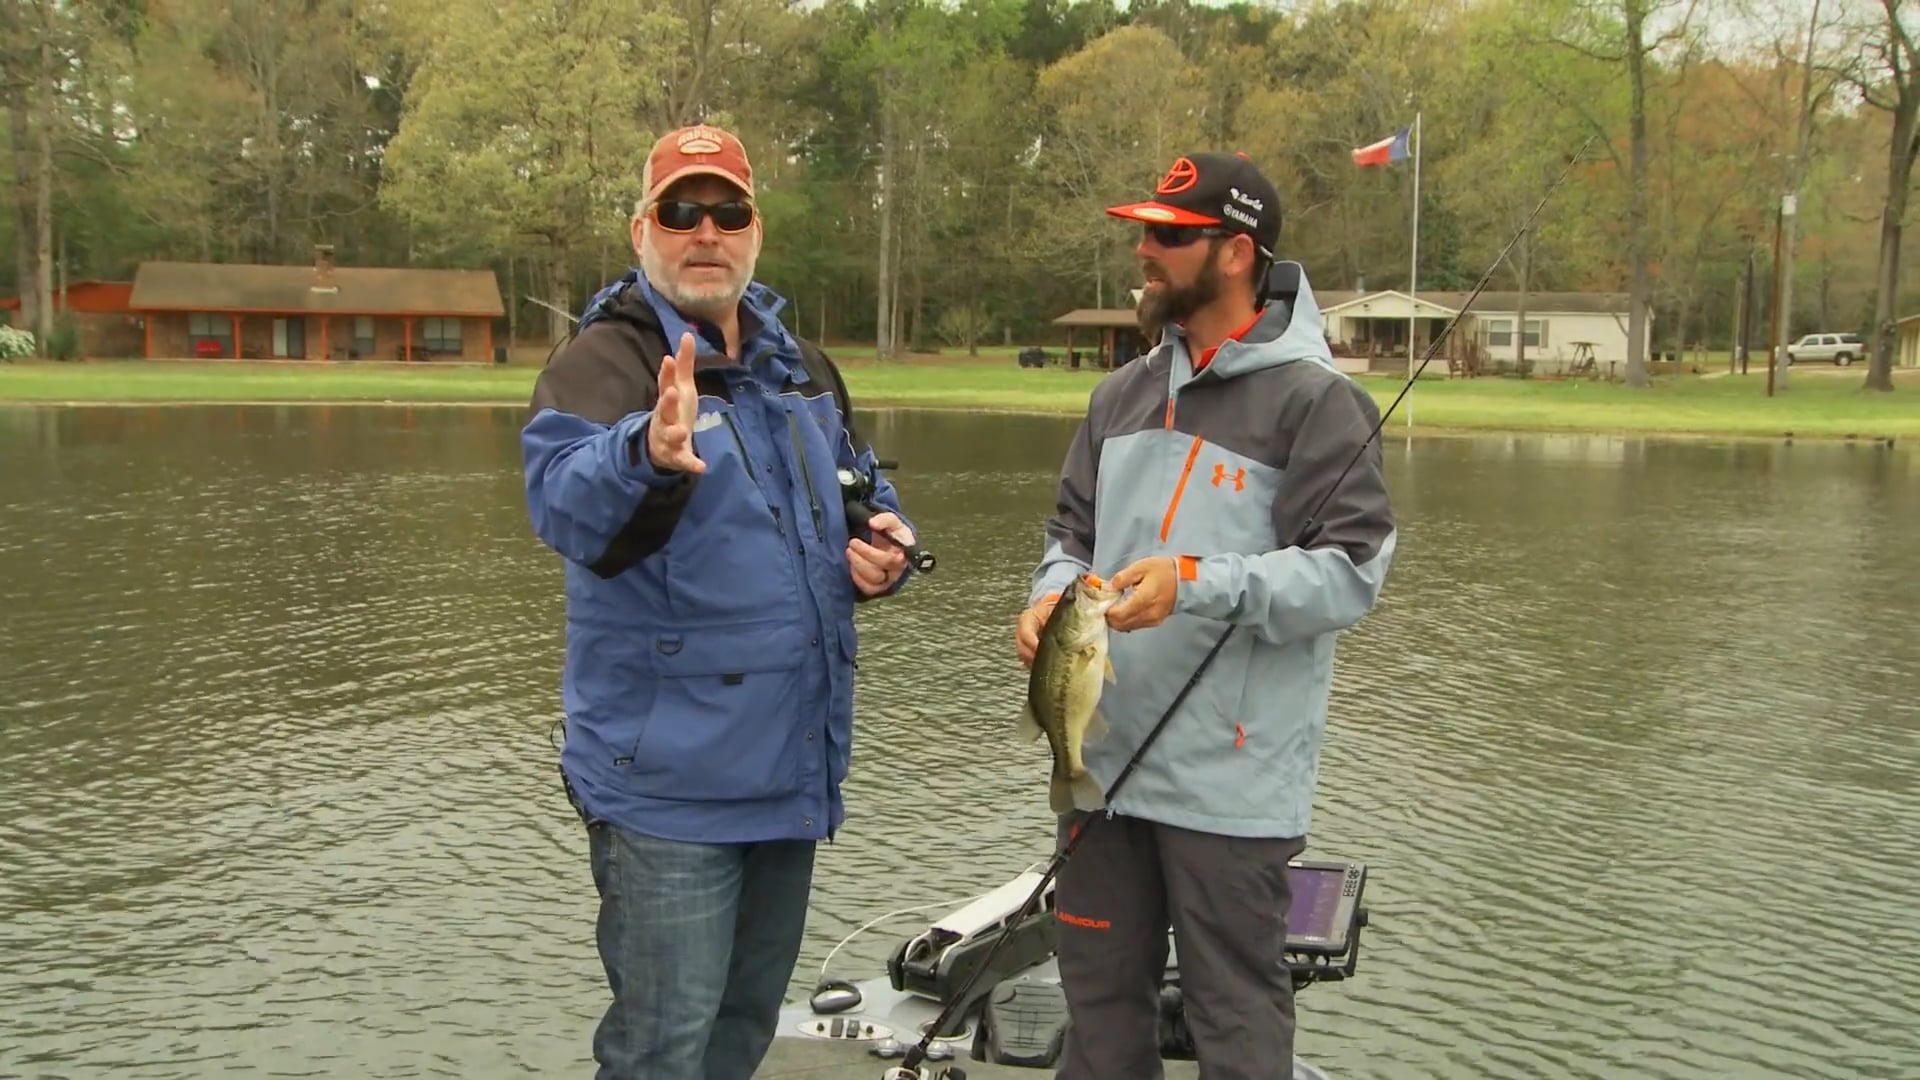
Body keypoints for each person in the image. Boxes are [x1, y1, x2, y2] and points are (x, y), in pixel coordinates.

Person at [520, 122, 919, 1080]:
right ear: (642, 232)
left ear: (755, 232)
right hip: (667, 793)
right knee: (661, 1050)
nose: (707, 231)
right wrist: (644, 452)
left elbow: (860, 490)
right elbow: (564, 504)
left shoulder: (804, 368)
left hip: (788, 774)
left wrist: (886, 549)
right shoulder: (602, 364)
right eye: (681, 211)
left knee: (741, 1035)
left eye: (728, 211)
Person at [1014, 151, 1397, 1078]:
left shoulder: (1320, 403)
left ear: (1235, 253)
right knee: (1099, 1013)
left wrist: (1196, 583)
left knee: (1237, 1023)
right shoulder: (1121, 394)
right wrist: (1048, 596)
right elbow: (1070, 535)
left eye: (1170, 236)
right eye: (1145, 232)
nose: (1145, 251)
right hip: (1104, 775)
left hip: (1231, 787)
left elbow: (1347, 577)